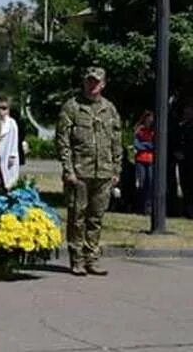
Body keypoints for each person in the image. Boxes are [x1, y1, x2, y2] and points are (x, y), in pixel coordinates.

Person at [56, 67, 122, 276]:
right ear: (84, 82)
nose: (92, 85)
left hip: (104, 173)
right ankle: (76, 259)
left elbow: (116, 141)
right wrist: (68, 170)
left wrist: (116, 169)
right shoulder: (72, 107)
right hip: (79, 173)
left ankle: (92, 258)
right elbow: (62, 142)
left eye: (97, 82)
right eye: (89, 81)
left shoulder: (109, 109)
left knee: (96, 218)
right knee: (77, 216)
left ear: (103, 84)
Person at [133, 110, 155, 215]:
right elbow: (137, 145)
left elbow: (154, 146)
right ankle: (140, 206)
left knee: (150, 183)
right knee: (141, 183)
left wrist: (145, 145)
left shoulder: (154, 131)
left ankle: (148, 206)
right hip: (141, 159)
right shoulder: (139, 130)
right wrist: (147, 145)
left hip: (151, 160)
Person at [0, 96, 20, 189]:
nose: (1, 111)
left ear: (8, 110)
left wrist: (12, 155)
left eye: (4, 108)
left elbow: (15, 140)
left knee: (8, 177)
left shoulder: (11, 123)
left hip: (8, 153)